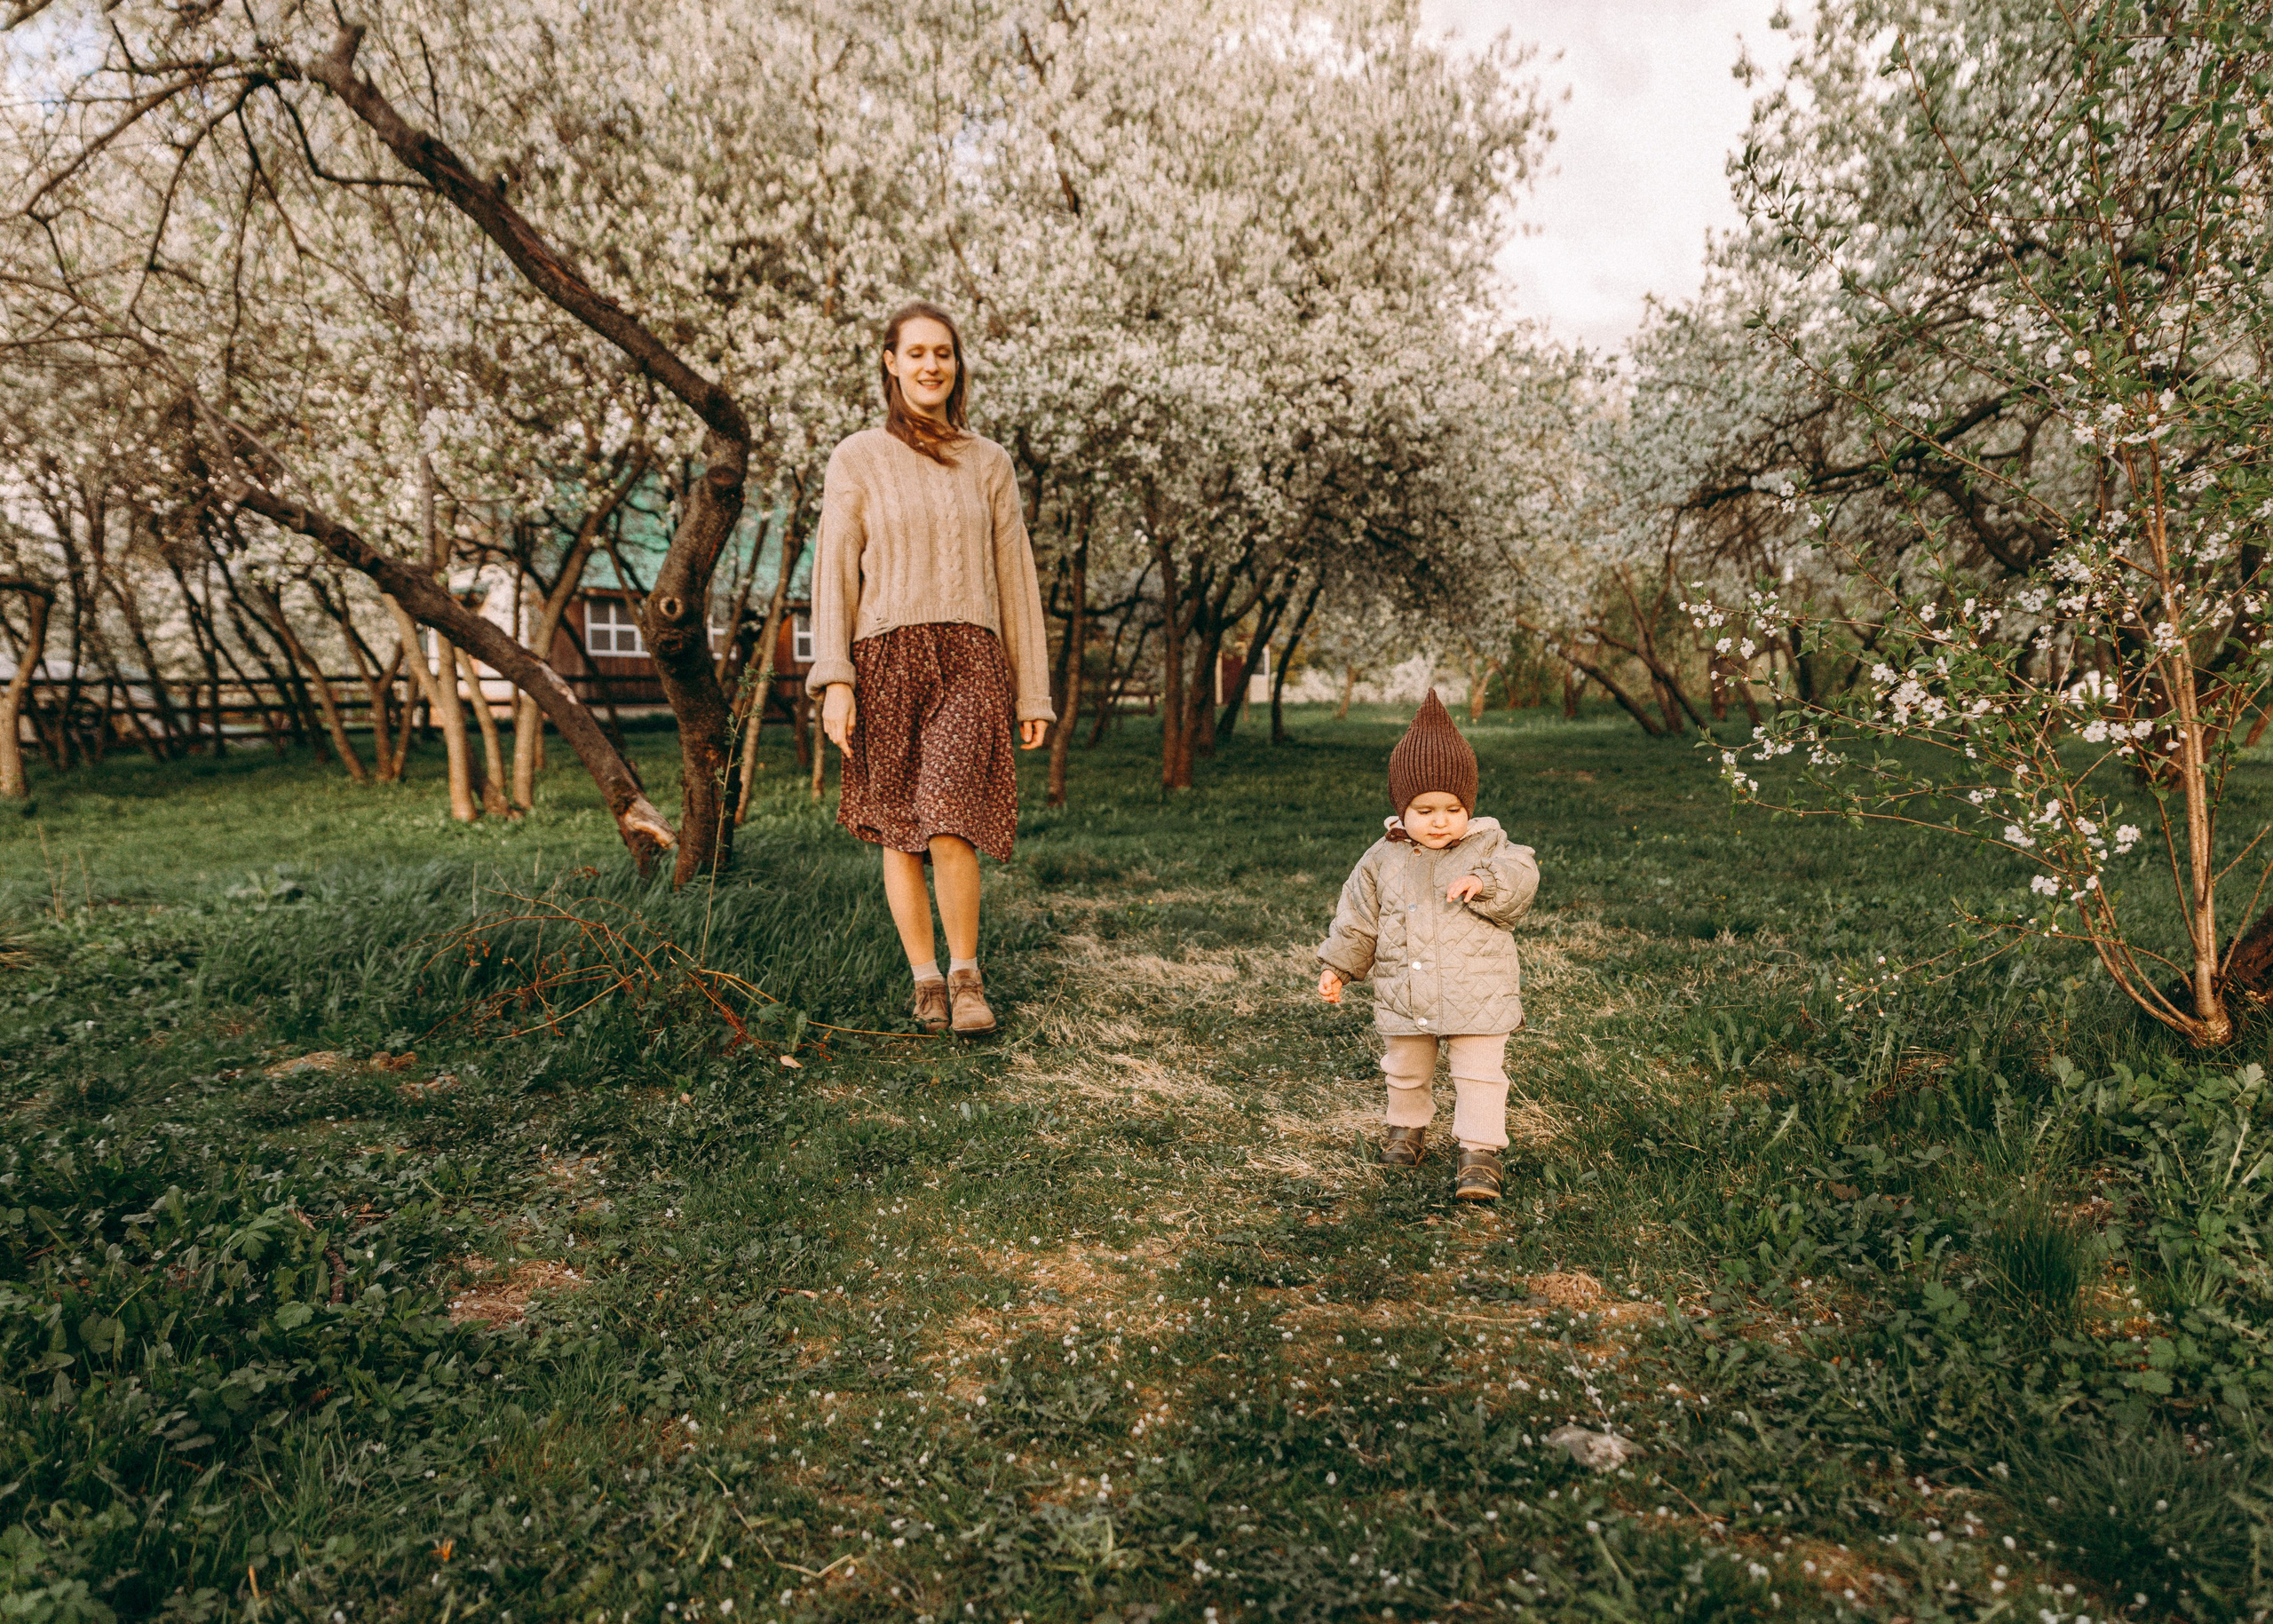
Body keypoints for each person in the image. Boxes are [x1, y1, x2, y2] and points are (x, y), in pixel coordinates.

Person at [809, 301, 1054, 1036]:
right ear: (890, 362)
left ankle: (967, 977)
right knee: (899, 829)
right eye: (914, 352)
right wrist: (836, 679)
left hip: (972, 659)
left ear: (957, 364)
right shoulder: (857, 457)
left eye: (942, 353)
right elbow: (834, 577)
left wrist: (1031, 687)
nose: (929, 366)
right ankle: (924, 981)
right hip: (884, 656)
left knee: (951, 819)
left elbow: (1017, 578)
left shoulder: (989, 462)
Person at [1315, 691, 1540, 1201]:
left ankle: (1480, 1152)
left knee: (1480, 1074)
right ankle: (1406, 1130)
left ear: (1469, 806)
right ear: (1401, 807)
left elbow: (1522, 879)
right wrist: (1340, 967)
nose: (1440, 821)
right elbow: (1358, 921)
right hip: (1406, 992)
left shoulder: (1490, 846)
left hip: (1477, 994)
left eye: (1453, 808)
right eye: (1425, 809)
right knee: (1405, 1068)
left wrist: (1483, 881)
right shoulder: (1379, 860)